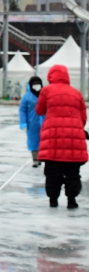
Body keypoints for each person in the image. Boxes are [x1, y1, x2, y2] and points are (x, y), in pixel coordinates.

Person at [35, 65, 87, 209]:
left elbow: (39, 111)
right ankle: (72, 199)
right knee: (73, 171)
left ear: (51, 76)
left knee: (52, 171)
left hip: (52, 137)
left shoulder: (46, 91)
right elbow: (83, 117)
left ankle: (53, 199)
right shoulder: (76, 93)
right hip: (73, 137)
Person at [19, 76, 44, 167]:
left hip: (45, 122)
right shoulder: (26, 97)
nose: (37, 86)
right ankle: (35, 159)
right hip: (32, 123)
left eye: (38, 84)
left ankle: (42, 157)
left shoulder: (45, 94)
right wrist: (23, 123)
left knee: (44, 141)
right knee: (33, 141)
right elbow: (22, 110)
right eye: (34, 84)